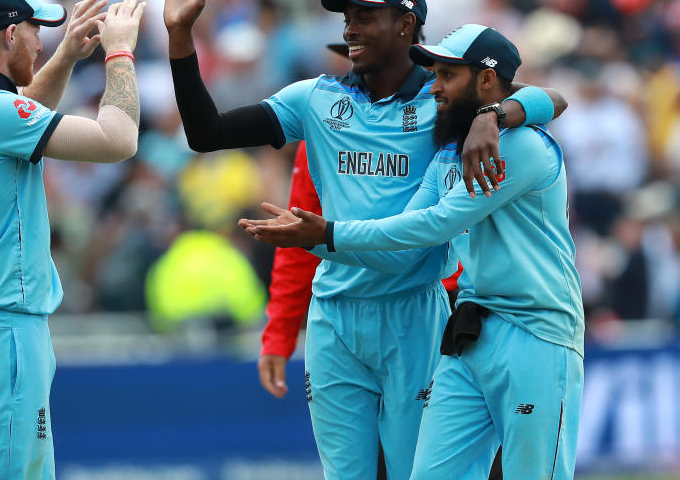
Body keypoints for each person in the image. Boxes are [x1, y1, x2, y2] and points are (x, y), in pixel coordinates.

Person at [164, 0, 563, 478]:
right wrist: (179, 37)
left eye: (365, 16)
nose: (350, 28)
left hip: (414, 315)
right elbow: (205, 133)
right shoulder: (314, 100)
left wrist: (492, 113)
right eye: (346, 16)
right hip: (334, 319)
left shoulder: (444, 101)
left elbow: (549, 97)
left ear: (407, 25)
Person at [242, 24, 584, 480]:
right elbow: (407, 224)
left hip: (535, 333)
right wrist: (324, 240)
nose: (434, 87)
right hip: (471, 331)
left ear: (485, 81)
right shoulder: (449, 149)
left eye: (446, 75)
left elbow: (434, 224)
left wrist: (327, 235)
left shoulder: (522, 147)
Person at [0, 0, 146, 479]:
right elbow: (119, 139)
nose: (40, 43)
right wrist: (121, 53)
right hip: (3, 332)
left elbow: (21, 112)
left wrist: (65, 58)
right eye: (36, 33)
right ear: (10, 34)